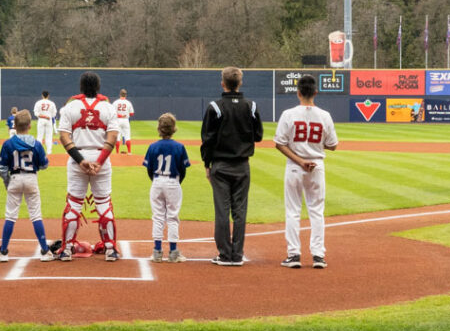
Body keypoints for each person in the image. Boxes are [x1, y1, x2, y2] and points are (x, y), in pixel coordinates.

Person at [200, 66, 264, 266]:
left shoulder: (215, 107)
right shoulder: (251, 106)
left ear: (223, 83)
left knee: (222, 210)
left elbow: (207, 140)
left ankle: (225, 254)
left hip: (220, 165)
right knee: (240, 211)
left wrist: (207, 164)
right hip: (242, 165)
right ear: (240, 83)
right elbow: (259, 135)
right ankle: (237, 254)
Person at [275, 73, 339, 269]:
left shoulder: (288, 114)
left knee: (293, 211)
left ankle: (294, 255)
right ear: (316, 92)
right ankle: (318, 256)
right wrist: (315, 149)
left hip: (295, 166)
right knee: (316, 212)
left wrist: (301, 160)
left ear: (298, 92)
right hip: (317, 166)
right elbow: (333, 145)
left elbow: (280, 144)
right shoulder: (325, 115)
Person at [56, 71, 120, 261]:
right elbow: (113, 136)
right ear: (98, 86)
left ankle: (67, 249)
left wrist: (81, 160)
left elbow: (64, 136)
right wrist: (98, 162)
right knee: (103, 204)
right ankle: (110, 249)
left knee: (74, 205)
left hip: (78, 159)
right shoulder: (108, 107)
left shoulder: (70, 107)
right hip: (101, 158)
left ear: (81, 86)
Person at [0, 110, 55, 261]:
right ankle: (44, 250)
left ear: (14, 126)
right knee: (36, 215)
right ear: (29, 125)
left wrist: (7, 182)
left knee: (10, 216)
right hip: (31, 178)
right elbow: (44, 165)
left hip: (15, 177)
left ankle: (3, 252)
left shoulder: (8, 143)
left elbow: (2, 168)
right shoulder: (36, 143)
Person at [142, 113, 190, 262]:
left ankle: (157, 252)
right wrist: (176, 183)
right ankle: (173, 252)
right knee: (172, 217)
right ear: (174, 128)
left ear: (159, 128)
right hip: (172, 182)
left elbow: (149, 169)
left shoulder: (153, 146)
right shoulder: (179, 147)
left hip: (157, 181)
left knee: (157, 217)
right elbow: (183, 171)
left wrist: (155, 181)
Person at [114, 89, 135, 153]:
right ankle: (129, 152)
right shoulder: (128, 102)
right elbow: (132, 113)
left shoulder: (116, 102)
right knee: (127, 136)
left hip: (117, 120)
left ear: (120, 94)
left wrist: (119, 115)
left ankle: (117, 152)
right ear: (126, 95)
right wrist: (125, 114)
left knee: (117, 137)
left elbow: (112, 112)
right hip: (125, 120)